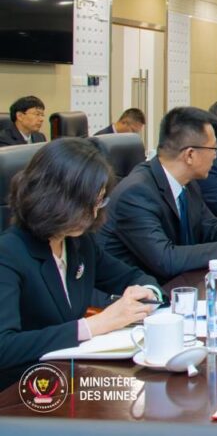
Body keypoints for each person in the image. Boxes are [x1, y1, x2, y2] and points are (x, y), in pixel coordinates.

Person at [0, 138, 163, 388]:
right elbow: (5, 347)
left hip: (71, 377)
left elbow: (133, 277)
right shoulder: (9, 253)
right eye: (86, 204)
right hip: (23, 390)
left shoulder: (78, 242)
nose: (94, 214)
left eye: (99, 203)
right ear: (52, 197)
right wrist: (92, 326)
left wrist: (147, 295)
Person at [98, 107, 217, 283]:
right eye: (214, 148)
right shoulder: (136, 193)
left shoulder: (188, 182)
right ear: (190, 155)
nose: (216, 155)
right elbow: (166, 260)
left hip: (178, 283)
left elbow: (208, 225)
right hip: (136, 291)